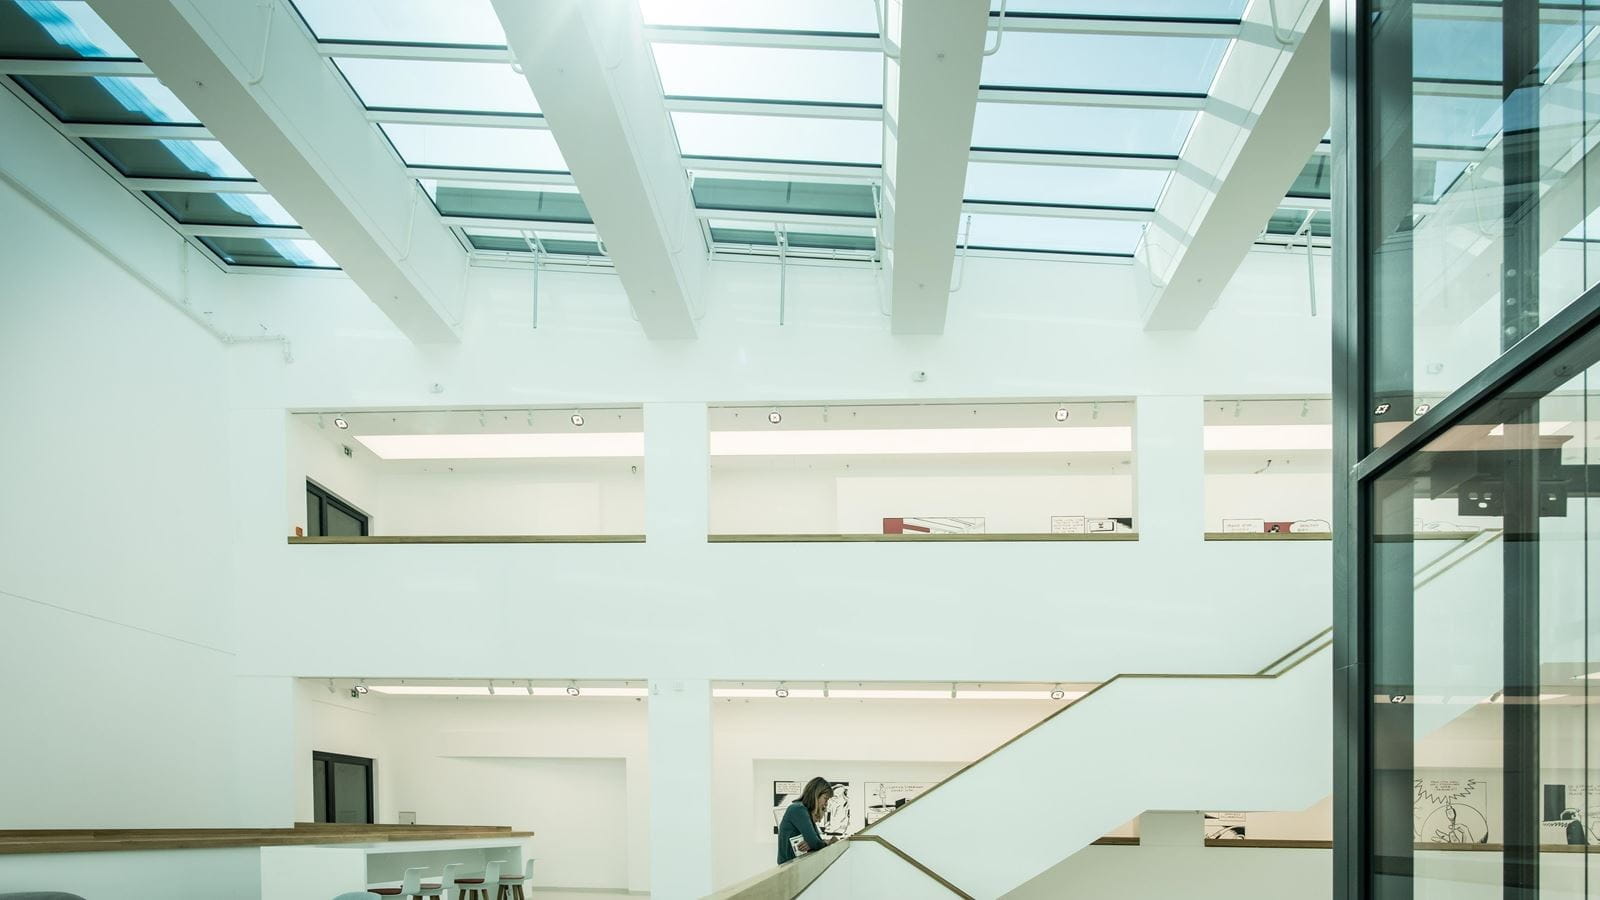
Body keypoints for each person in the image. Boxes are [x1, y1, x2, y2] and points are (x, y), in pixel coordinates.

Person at [777, 777, 834, 864]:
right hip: (788, 867)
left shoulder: (805, 811)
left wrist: (813, 843)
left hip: (796, 864)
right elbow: (815, 842)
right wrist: (821, 843)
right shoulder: (798, 809)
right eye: (825, 798)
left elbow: (816, 840)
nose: (826, 804)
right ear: (816, 795)